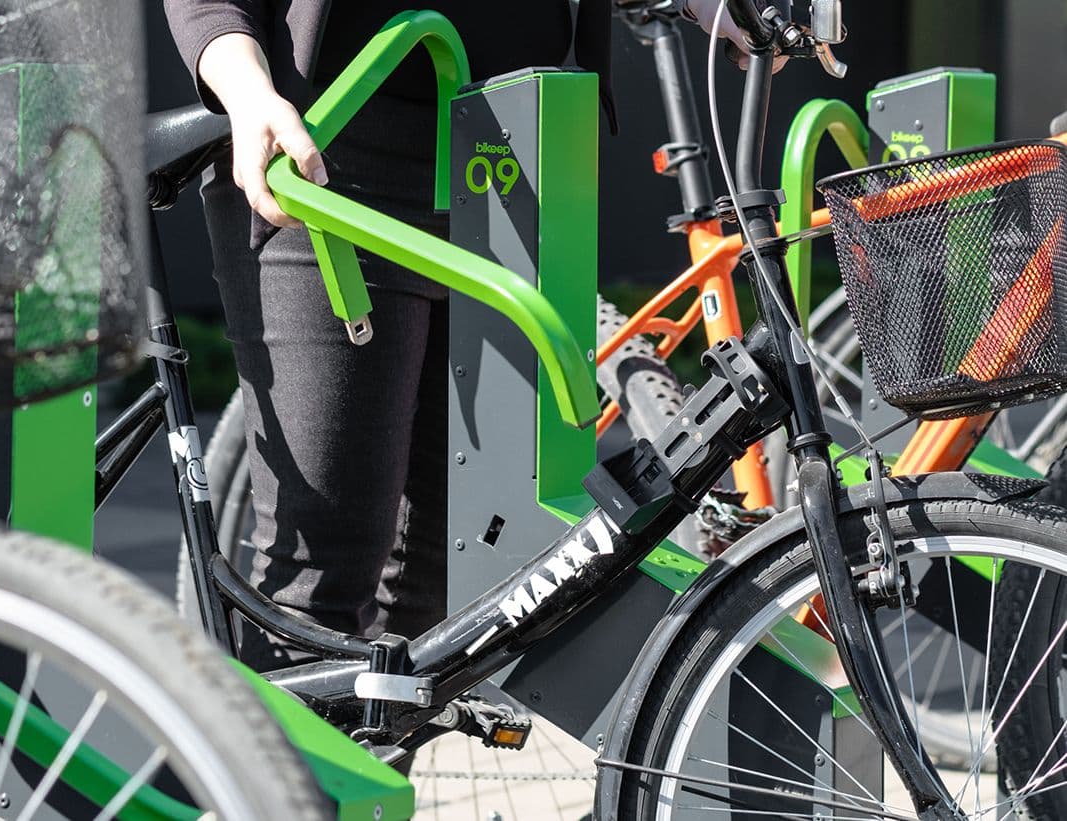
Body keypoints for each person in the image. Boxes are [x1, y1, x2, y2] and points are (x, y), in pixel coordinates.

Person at [162, 0, 748, 670]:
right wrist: (244, 86)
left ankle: (379, 740)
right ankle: (272, 741)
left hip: (510, 146)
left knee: (439, 587)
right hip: (329, 148)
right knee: (318, 591)